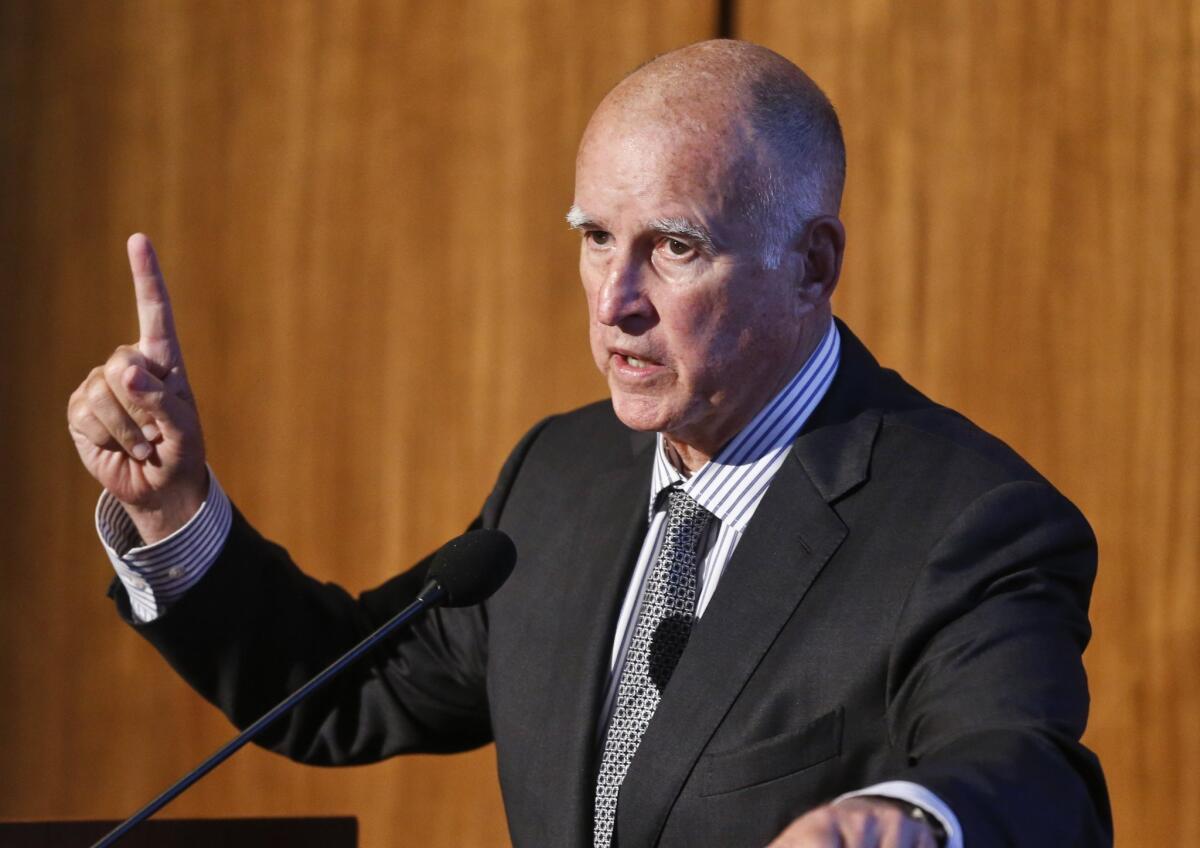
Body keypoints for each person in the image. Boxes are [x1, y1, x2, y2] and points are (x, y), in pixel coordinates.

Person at [66, 40, 1110, 847]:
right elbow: (344, 688)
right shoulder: (557, 480)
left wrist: (909, 813)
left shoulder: (966, 519)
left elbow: (1027, 762)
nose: (615, 302)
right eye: (595, 237)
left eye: (676, 246)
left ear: (812, 262)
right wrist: (172, 507)